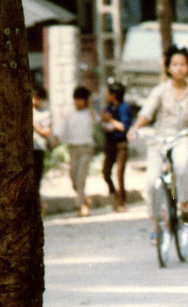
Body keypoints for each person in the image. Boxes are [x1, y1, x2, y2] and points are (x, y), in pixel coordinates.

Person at [129, 44, 188, 230]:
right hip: (159, 139)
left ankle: (184, 204)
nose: (179, 68)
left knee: (182, 165)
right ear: (169, 68)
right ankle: (154, 224)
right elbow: (147, 112)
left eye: (183, 64)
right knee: (150, 182)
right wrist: (135, 127)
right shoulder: (160, 90)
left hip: (182, 138)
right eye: (175, 64)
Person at [55, 86, 98, 217]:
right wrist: (55, 139)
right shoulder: (70, 114)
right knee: (73, 176)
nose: (78, 103)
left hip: (86, 148)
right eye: (76, 100)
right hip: (73, 148)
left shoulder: (90, 113)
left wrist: (90, 106)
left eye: (81, 100)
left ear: (86, 101)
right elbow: (62, 129)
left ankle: (79, 206)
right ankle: (83, 198)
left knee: (81, 178)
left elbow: (96, 122)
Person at [100, 82, 133, 212]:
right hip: (109, 143)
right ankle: (113, 195)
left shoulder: (124, 108)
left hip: (121, 144)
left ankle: (122, 201)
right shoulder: (108, 108)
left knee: (119, 173)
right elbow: (103, 125)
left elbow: (123, 127)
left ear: (114, 95)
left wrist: (110, 120)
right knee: (106, 172)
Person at [31, 86, 54, 211]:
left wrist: (34, 126)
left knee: (37, 179)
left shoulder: (45, 113)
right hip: (27, 149)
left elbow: (47, 133)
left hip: (38, 148)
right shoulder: (25, 111)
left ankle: (37, 206)